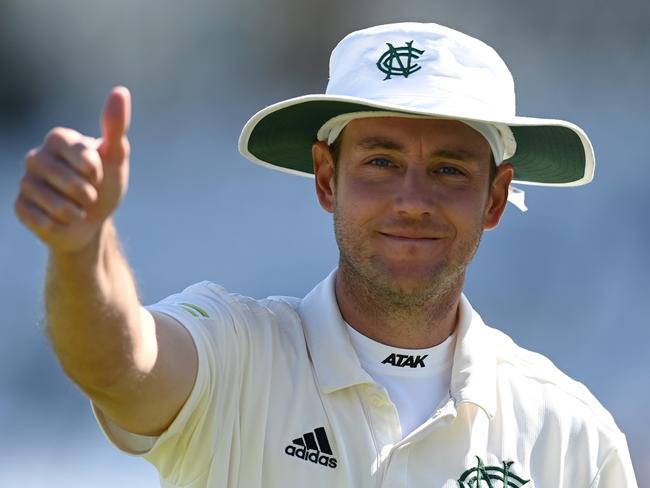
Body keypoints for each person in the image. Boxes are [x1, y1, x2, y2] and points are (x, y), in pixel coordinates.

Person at [14, 22, 637, 487]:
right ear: (326, 179)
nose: (413, 201)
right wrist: (81, 248)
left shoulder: (570, 432)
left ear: (495, 199)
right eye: (381, 163)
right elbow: (117, 366)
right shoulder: (237, 357)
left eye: (449, 169)